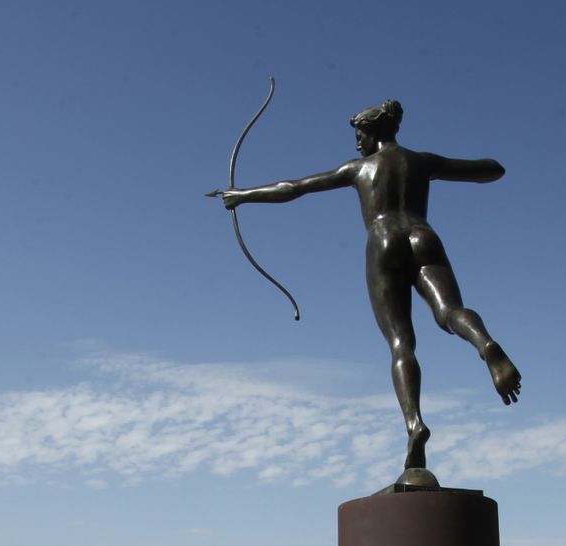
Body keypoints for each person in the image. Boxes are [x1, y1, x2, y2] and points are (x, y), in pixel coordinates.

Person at [215, 99, 520, 478]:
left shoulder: (359, 169)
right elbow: (492, 170)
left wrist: (243, 195)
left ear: (373, 132)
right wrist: (478, 167)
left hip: (383, 238)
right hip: (423, 234)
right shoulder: (422, 161)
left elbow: (294, 188)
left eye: (359, 134)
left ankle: (414, 424)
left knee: (400, 343)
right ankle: (485, 345)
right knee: (449, 312)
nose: (356, 142)